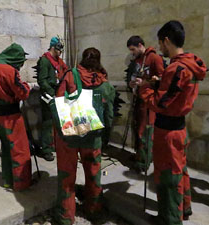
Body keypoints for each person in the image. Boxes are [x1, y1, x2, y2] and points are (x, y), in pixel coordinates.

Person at [135, 21, 207, 225]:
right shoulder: (189, 64)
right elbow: (176, 90)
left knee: (168, 178)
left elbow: (161, 103)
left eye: (160, 43)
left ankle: (170, 220)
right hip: (179, 128)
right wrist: (157, 82)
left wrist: (144, 89)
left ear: (167, 40)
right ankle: (184, 208)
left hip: (167, 132)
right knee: (180, 172)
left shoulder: (177, 68)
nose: (159, 48)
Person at [53, 48, 115, 224]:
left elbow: (58, 102)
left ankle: (66, 216)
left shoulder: (70, 75)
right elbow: (109, 114)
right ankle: (94, 210)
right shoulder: (104, 81)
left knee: (67, 175)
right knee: (94, 173)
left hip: (70, 135)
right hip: (93, 136)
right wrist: (105, 137)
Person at [0, 43, 33, 191]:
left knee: (6, 147)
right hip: (11, 115)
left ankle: (8, 180)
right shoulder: (9, 70)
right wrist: (27, 86)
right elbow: (23, 93)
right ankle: (21, 184)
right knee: (20, 149)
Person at [126, 36, 164, 172]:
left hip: (149, 102)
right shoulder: (137, 60)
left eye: (133, 49)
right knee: (137, 129)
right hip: (139, 100)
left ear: (140, 45)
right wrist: (132, 84)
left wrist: (146, 82)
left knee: (145, 131)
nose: (132, 52)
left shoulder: (154, 58)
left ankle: (144, 162)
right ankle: (139, 155)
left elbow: (162, 79)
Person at [37, 37, 68, 161]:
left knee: (58, 122)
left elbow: (65, 71)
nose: (60, 53)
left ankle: (56, 144)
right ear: (53, 47)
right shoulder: (45, 61)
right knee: (48, 123)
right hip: (48, 95)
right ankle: (46, 149)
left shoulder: (58, 61)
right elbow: (42, 80)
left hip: (58, 93)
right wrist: (51, 93)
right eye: (59, 50)